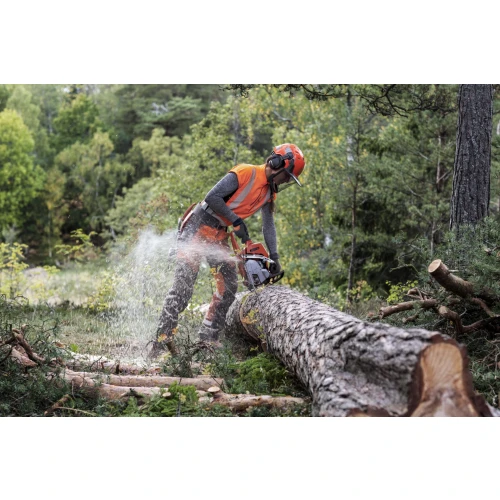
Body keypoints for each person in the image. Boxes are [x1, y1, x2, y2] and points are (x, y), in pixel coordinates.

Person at [148, 143, 306, 358]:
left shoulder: (269, 193)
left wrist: (275, 256)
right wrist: (236, 220)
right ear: (277, 163)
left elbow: (268, 225)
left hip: (219, 233)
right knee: (183, 288)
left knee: (229, 286)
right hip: (198, 225)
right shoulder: (246, 172)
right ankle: (160, 342)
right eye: (287, 176)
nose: (286, 181)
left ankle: (208, 339)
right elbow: (212, 197)